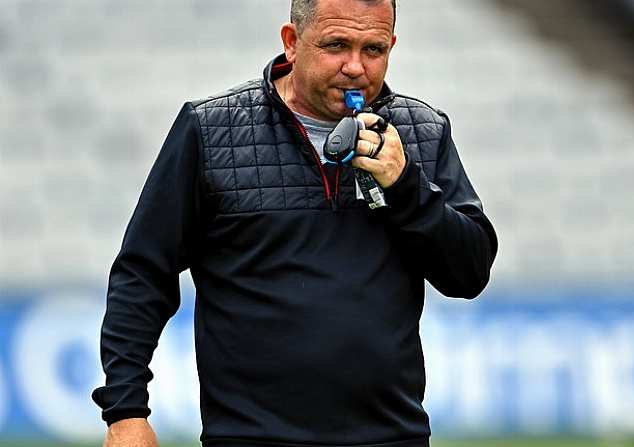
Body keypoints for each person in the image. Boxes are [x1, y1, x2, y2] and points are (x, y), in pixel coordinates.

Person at [92, 0, 498, 446]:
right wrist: (126, 412)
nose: (355, 67)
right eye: (336, 45)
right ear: (291, 42)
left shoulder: (422, 132)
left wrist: (406, 187)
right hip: (250, 438)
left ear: (392, 46)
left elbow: (469, 273)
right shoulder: (211, 130)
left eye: (374, 49)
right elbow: (142, 274)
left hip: (391, 437)